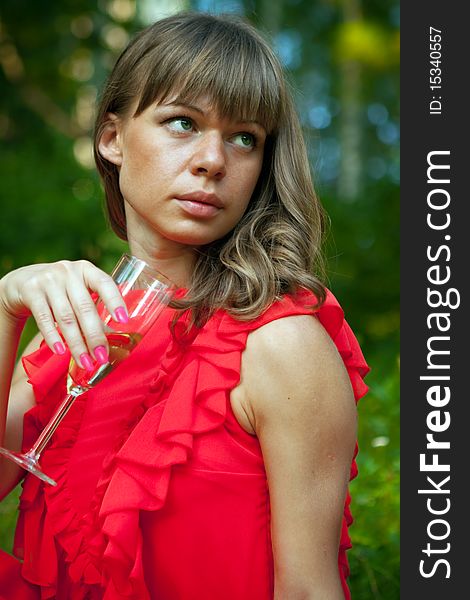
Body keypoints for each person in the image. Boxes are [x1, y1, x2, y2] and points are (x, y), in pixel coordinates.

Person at [0, 12, 369, 600]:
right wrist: (5, 309)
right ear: (112, 138)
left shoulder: (280, 344)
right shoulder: (75, 333)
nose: (212, 160)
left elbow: (307, 590)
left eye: (243, 137)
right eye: (182, 123)